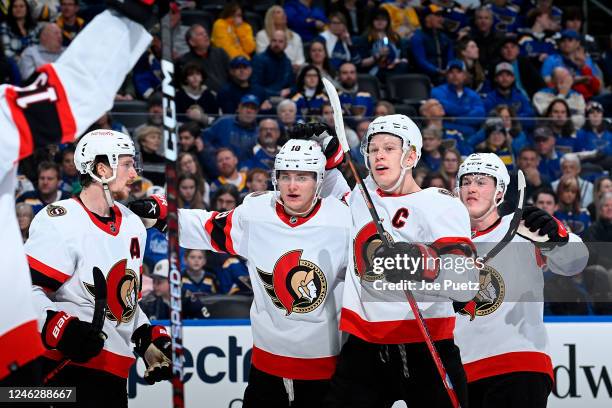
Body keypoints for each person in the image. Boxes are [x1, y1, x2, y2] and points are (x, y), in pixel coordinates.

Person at [130, 136, 351, 407]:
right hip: (266, 368)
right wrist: (165, 214)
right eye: (285, 176)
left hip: (325, 369)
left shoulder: (343, 220)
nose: (292, 185)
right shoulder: (257, 212)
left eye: (303, 177)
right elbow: (210, 227)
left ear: (319, 181)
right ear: (275, 178)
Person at [324, 114, 478, 407]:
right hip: (364, 349)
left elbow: (466, 285)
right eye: (373, 149)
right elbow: (328, 188)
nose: (379, 154)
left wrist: (419, 262)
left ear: (411, 155)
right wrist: (328, 156)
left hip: (427, 345)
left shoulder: (440, 204)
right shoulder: (360, 195)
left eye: (389, 148)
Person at [25, 130, 172, 404]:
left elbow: (124, 303)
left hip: (113, 376)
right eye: (127, 164)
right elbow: (21, 292)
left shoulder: (132, 224)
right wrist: (60, 328)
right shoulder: (61, 220)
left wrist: (145, 338)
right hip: (62, 370)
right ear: (101, 168)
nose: (133, 174)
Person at [453, 152, 588, 408]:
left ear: (500, 192)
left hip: (519, 364)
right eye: (466, 181)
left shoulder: (522, 228)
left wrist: (557, 238)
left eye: (482, 182)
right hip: (460, 373)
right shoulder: (443, 240)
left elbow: (575, 262)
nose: (471, 188)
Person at [431, 59, 486, 135]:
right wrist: (467, 109)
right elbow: (446, 107)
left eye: (459, 72)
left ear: (465, 75)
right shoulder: (437, 91)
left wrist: (455, 119)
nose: (455, 75)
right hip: (446, 131)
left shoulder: (473, 95)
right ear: (446, 75)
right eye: (451, 72)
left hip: (469, 133)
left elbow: (479, 114)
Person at [203, 94, 259, 164]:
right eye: (246, 106)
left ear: (257, 112)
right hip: (219, 166)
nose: (249, 111)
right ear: (239, 108)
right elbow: (204, 138)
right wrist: (214, 154)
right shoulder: (224, 122)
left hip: (243, 171)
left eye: (253, 108)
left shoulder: (258, 133)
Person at [177, 24, 230, 93]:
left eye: (205, 33)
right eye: (200, 34)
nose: (205, 35)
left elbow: (232, 73)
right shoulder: (185, 61)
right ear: (192, 42)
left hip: (226, 95)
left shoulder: (220, 53)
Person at [410, 4, 453, 85]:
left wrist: (449, 70)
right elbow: (421, 61)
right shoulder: (418, 37)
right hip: (424, 78)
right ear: (427, 18)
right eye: (437, 16)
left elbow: (450, 58)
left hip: (445, 76)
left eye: (441, 16)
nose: (441, 19)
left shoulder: (445, 37)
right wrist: (438, 71)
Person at [256, 5, 305, 70]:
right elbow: (261, 57)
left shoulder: (295, 36)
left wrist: (296, 65)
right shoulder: (262, 35)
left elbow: (300, 60)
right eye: (278, 12)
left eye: (284, 12)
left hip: (293, 70)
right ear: (271, 17)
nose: (283, 14)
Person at [251, 29, 294, 98]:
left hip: (283, 99)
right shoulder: (258, 59)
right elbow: (255, 86)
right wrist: (276, 94)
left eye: (280, 41)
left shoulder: (287, 62)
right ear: (270, 42)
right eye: (274, 40)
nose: (277, 44)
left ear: (285, 45)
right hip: (264, 98)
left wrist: (290, 90)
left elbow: (292, 85)